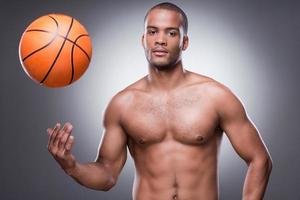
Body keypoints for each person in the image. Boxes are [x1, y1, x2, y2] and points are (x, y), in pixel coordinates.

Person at [47, 2, 272, 200]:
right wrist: (72, 166)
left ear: (185, 42)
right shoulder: (122, 104)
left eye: (171, 33)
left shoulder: (216, 96)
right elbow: (107, 174)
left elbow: (259, 159)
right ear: (143, 39)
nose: (160, 40)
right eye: (153, 32)